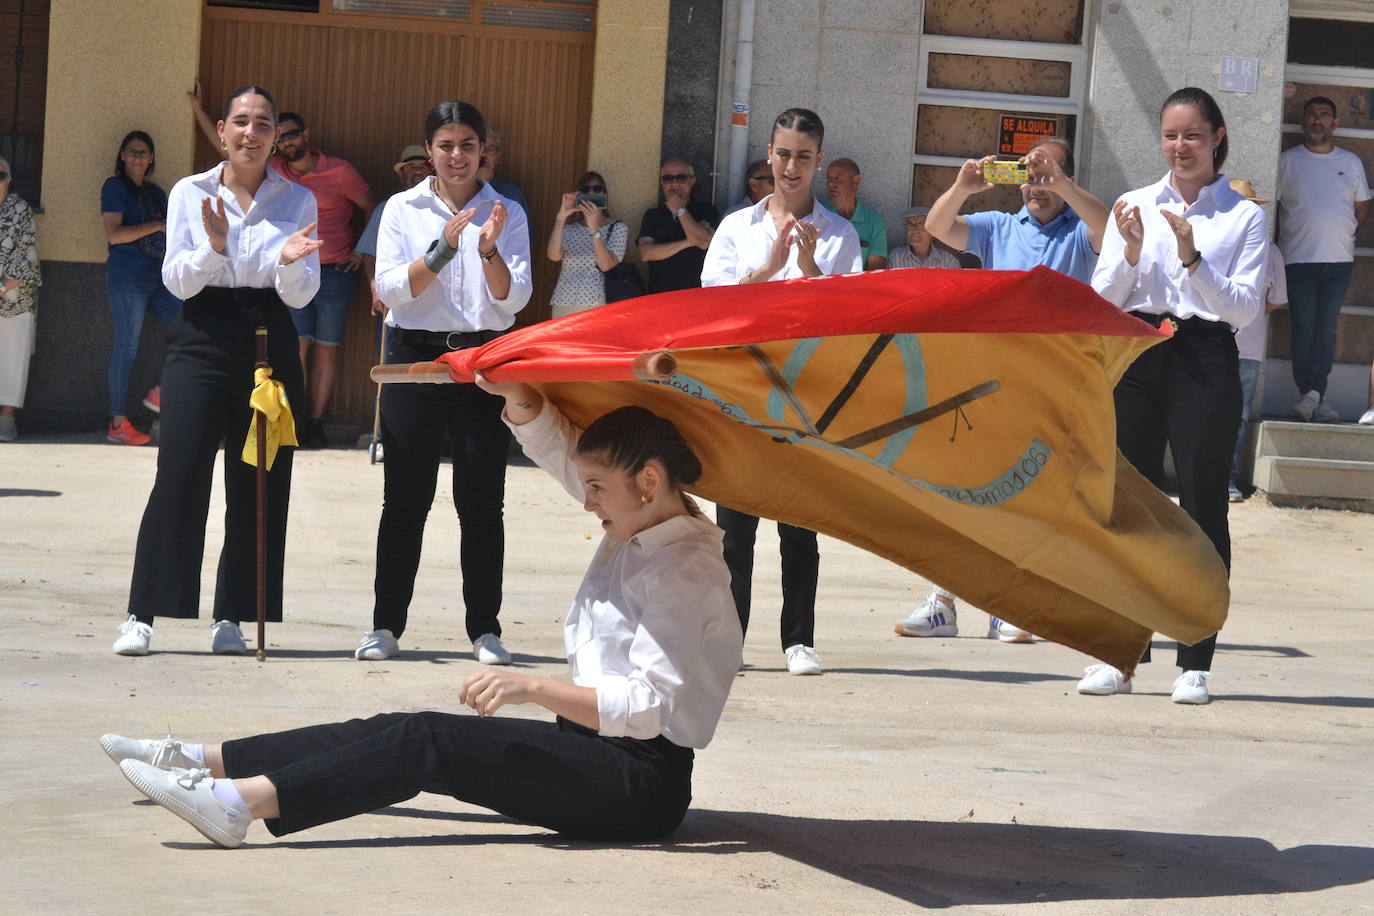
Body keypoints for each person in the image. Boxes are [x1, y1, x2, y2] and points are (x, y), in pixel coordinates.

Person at [99, 389, 743, 849]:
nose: (587, 502)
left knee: (431, 742)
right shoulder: (638, 517)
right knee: (399, 727)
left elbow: (650, 706)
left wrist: (530, 686)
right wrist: (517, 394)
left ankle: (238, 806)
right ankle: (202, 759)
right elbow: (559, 450)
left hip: (637, 788)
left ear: (649, 482)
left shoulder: (686, 568)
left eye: (598, 488)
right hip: (591, 753)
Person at [112, 85, 322, 657]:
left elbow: (303, 298)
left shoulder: (297, 200)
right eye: (240, 122)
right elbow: (178, 281)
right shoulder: (191, 192)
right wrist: (215, 248)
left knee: (258, 478)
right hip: (202, 334)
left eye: (262, 124)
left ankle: (232, 615)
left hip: (269, 339)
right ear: (223, 131)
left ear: (276, 136)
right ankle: (142, 613)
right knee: (179, 471)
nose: (250, 133)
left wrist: (287, 264)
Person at [1077, 86, 1266, 705]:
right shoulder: (1133, 203)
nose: (1179, 147)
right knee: (1127, 503)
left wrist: (1192, 260)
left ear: (1216, 138)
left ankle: (1196, 659)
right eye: (1169, 135)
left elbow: (1240, 311)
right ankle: (1121, 652)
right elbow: (1103, 298)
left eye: (1191, 135)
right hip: (1140, 351)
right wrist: (1130, 253)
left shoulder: (1242, 216)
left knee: (1204, 504)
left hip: (1206, 357)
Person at [898, 137, 1108, 643]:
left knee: (1030, 497)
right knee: (964, 490)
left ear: (1068, 179)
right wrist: (964, 187)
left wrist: (1063, 185)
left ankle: (1013, 606)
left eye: (1048, 176)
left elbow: (1106, 230)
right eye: (1030, 175)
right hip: (992, 381)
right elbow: (937, 227)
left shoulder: (1080, 232)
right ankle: (943, 601)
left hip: (1055, 386)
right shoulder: (998, 227)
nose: (1037, 186)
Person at [356, 100, 532, 666]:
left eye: (468, 145)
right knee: (405, 498)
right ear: (428, 151)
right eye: (446, 145)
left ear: (485, 150)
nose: (458, 156)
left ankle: (485, 628)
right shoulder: (401, 209)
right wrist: (442, 250)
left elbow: (514, 299)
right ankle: (386, 626)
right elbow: (390, 290)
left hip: (483, 359)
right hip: (416, 359)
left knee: (482, 500)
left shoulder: (507, 211)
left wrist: (486, 251)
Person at [702, 107, 863, 676]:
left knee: (799, 524)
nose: (791, 167)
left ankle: (799, 639)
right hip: (742, 388)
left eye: (803, 156)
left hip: (807, 391)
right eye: (783, 154)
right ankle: (729, 638)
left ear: (819, 161)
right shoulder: (734, 229)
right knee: (734, 527)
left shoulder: (840, 235)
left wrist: (812, 267)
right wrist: (770, 268)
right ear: (768, 155)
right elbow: (713, 309)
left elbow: (847, 320)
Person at [190, 87, 377, 447]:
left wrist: (361, 246)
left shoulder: (339, 171)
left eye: (291, 134)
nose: (288, 142)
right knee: (297, 347)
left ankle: (315, 422)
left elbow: (371, 204)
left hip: (336, 273)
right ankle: (291, 418)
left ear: (303, 136)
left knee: (326, 348)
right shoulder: (273, 170)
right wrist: (199, 108)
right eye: (283, 136)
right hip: (285, 275)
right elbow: (226, 147)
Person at [1278, 96, 1372, 423]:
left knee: (1326, 330)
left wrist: (1340, 231)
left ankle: (1313, 395)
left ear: (1335, 123)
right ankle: (1317, 394)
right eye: (1312, 115)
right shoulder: (1287, 161)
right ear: (1304, 121)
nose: (1318, 121)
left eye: (1324, 116)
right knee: (1304, 329)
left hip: (1339, 262)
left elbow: (1362, 209)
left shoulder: (1351, 162)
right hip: (1298, 260)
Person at [101, 131, 182, 446]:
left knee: (186, 330)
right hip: (127, 278)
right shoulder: (114, 187)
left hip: (159, 276)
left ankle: (160, 391)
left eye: (144, 152)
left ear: (151, 159)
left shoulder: (157, 192)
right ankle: (118, 424)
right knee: (126, 349)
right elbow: (113, 235)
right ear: (122, 155)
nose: (137, 157)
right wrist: (157, 225)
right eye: (132, 151)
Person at [1227, 180, 1286, 502]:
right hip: (1210, 344)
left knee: (1237, 417)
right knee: (1200, 413)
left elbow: (1276, 299)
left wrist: (1246, 311)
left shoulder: (1270, 251)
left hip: (1247, 349)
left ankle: (1229, 481)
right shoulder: (1215, 242)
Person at [547, 171, 629, 319]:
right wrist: (561, 218)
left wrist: (594, 228)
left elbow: (606, 265)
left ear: (605, 194)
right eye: (585, 190)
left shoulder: (617, 228)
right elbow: (553, 255)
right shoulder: (570, 229)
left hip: (599, 304)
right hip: (564, 302)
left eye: (597, 189)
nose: (591, 193)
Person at [0, 156, 40, 443]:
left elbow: (26, 262)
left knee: (13, 359)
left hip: (16, 298)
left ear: (10, 179)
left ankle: (7, 417)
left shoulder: (20, 210)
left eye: (1, 175)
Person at [638, 159, 719, 294]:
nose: (674, 183)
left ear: (692, 181)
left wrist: (681, 210)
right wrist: (688, 242)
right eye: (668, 178)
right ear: (662, 183)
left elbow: (704, 242)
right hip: (660, 297)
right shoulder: (652, 215)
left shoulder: (707, 211)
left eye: (681, 178)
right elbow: (646, 253)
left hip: (698, 295)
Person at [824, 157, 887, 270]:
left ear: (855, 182)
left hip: (858, 286)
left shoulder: (874, 223)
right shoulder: (816, 214)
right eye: (828, 179)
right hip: (822, 285)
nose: (830, 184)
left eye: (837, 178)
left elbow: (874, 271)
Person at [887, 206, 961, 270]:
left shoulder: (948, 261)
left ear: (933, 231)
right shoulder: (896, 257)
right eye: (910, 225)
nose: (914, 230)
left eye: (920, 225)